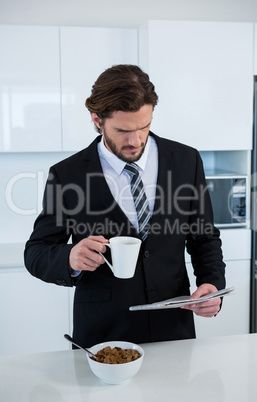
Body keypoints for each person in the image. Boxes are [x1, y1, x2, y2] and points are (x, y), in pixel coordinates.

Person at [24, 64, 225, 348]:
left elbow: (204, 237)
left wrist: (211, 286)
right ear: (97, 120)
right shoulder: (67, 175)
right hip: (102, 335)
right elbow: (35, 252)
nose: (135, 141)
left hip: (173, 330)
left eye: (144, 127)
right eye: (122, 130)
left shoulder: (186, 160)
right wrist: (69, 257)